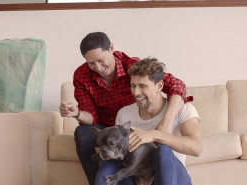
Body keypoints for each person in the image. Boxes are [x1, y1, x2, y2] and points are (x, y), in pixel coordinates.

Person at [59, 32, 192, 185]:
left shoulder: (133, 67)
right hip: (105, 130)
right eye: (91, 63)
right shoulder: (81, 75)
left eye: (101, 60)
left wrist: (166, 121)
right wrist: (77, 113)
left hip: (125, 131)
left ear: (111, 48)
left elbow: (177, 85)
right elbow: (91, 117)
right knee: (82, 133)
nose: (98, 68)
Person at [95, 57, 202, 185]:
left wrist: (154, 135)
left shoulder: (183, 109)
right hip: (137, 177)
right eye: (133, 86)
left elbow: (197, 148)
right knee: (110, 159)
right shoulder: (124, 113)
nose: (136, 92)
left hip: (172, 178)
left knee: (162, 150)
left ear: (159, 86)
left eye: (142, 86)